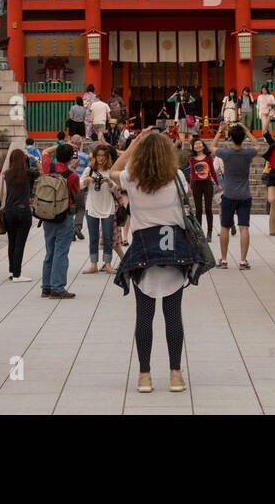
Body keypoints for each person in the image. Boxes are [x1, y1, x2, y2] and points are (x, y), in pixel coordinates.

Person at [109, 130, 209, 394]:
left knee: (144, 315)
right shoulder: (176, 177)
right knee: (173, 314)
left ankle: (144, 376)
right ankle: (175, 375)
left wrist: (133, 145)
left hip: (144, 251)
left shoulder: (132, 178)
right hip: (174, 250)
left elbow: (112, 172)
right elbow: (187, 193)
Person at [211, 122, 261, 269]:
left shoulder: (226, 154)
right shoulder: (248, 153)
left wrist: (220, 131)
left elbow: (212, 148)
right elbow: (257, 145)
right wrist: (246, 129)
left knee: (225, 227)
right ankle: (243, 261)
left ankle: (224, 260)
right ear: (243, 137)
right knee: (244, 227)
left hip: (229, 195)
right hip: (245, 195)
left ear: (231, 137)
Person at [37, 141, 80, 299]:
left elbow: (45, 151)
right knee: (61, 252)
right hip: (63, 216)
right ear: (70, 158)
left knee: (50, 251)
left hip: (47, 215)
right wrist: (73, 169)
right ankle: (57, 287)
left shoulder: (48, 167)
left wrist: (63, 144)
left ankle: (46, 287)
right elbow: (77, 192)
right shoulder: (72, 175)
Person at [0, 148, 38, 282]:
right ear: (23, 160)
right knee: (20, 244)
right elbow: (42, 172)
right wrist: (32, 159)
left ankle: (12, 270)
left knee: (12, 242)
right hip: (23, 212)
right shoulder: (28, 173)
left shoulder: (7, 174)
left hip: (9, 212)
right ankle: (17, 274)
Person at [79, 143, 118, 274]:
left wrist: (108, 182)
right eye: (98, 155)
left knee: (108, 237)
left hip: (108, 207)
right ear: (94, 157)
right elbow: (79, 185)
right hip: (92, 207)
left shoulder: (111, 171)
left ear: (107, 157)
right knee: (93, 237)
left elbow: (117, 191)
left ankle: (107, 264)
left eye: (103, 156)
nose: (100, 158)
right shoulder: (89, 169)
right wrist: (87, 180)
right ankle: (93, 264)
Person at [186, 137, 218, 242]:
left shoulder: (208, 157)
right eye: (196, 144)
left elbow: (212, 171)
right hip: (196, 185)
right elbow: (191, 173)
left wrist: (218, 184)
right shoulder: (191, 159)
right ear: (193, 147)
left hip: (207, 184)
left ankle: (209, 233)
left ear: (203, 145)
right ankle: (199, 232)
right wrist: (190, 185)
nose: (198, 145)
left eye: (200, 143)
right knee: (198, 210)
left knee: (208, 209)